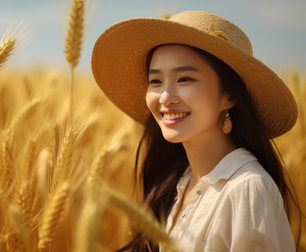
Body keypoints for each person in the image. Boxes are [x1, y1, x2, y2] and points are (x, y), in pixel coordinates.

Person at [91, 10, 301, 251]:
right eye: (156, 81)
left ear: (229, 95)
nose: (166, 98)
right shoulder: (180, 181)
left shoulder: (247, 189)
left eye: (185, 79)